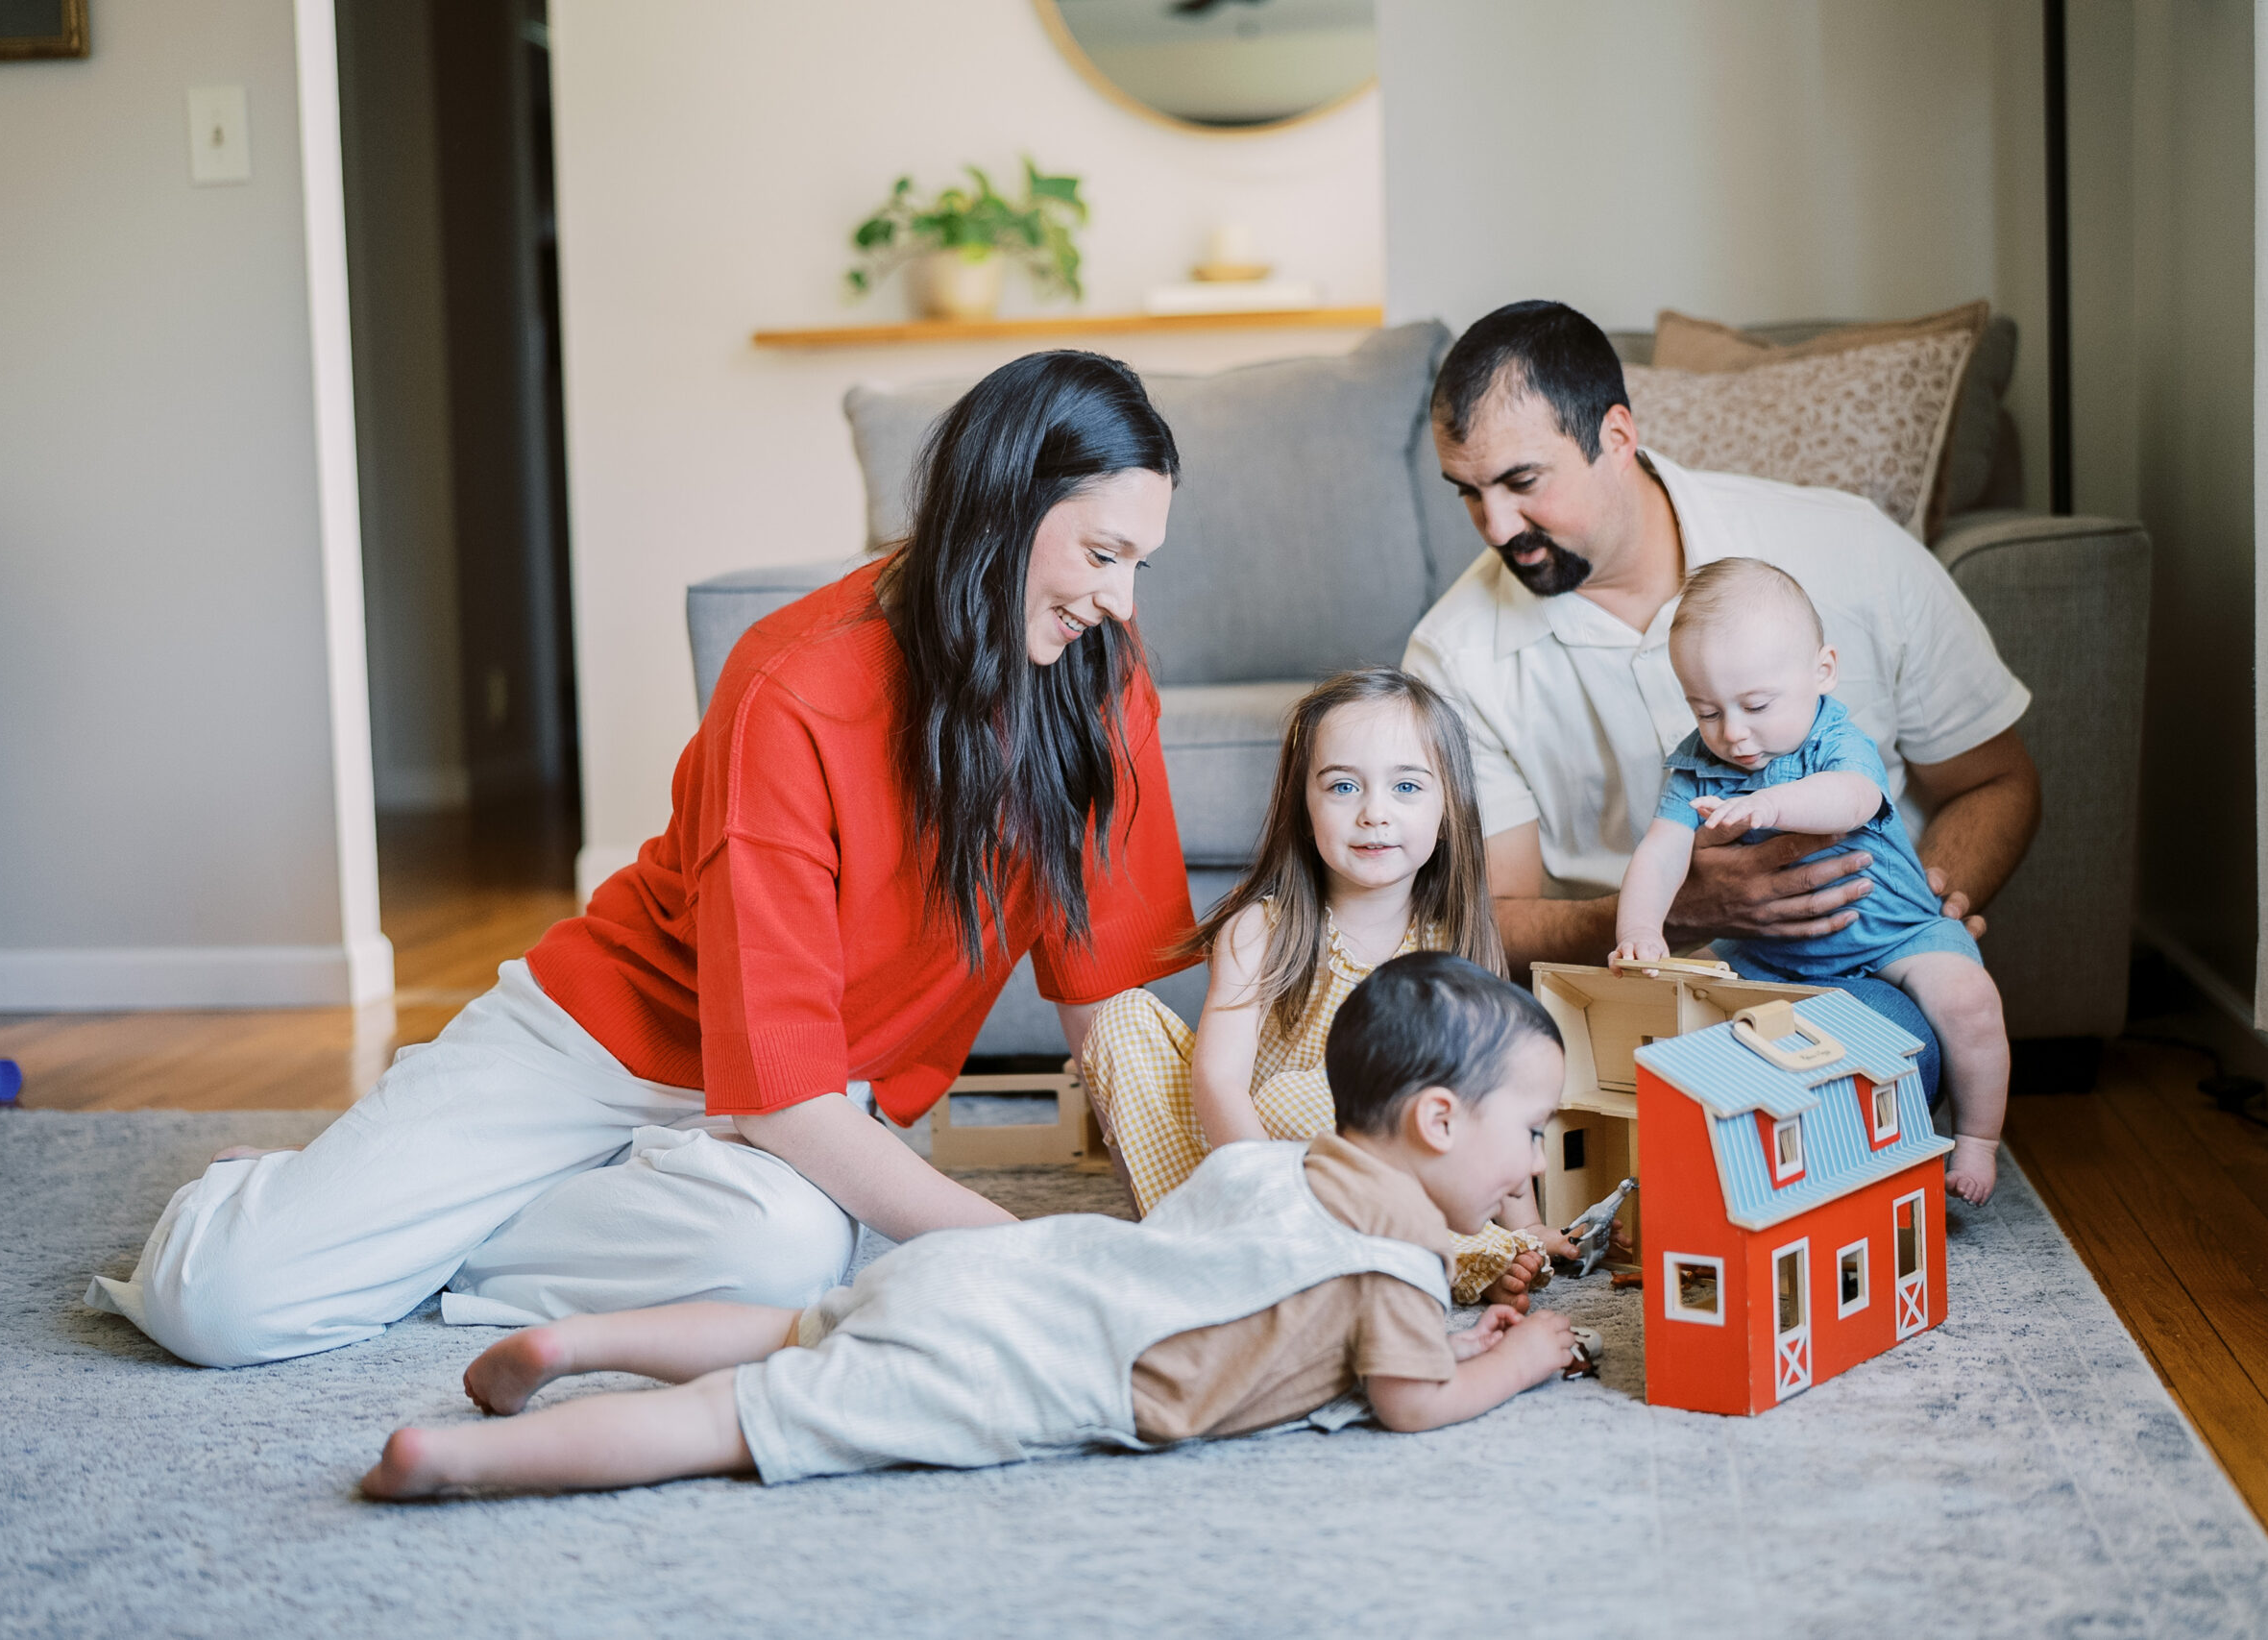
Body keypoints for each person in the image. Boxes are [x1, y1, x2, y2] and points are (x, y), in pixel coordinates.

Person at [87, 352, 1203, 1368]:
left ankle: (409, 1229)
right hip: (604, 1042)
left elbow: (1105, 1005)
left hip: (809, 1099)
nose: (1119, 600)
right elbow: (781, 1103)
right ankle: (275, 1202)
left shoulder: (1102, 682)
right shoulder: (796, 684)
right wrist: (1036, 1259)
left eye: (1138, 563)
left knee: (780, 1260)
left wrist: (1204, 1212)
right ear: (1001, 512)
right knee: (220, 1307)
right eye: (1103, 554)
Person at [359, 953, 1585, 1497]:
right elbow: (1406, 1397)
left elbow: (1302, 1317)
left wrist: (1450, 1332)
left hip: (1010, 1271)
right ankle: (458, 1461)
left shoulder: (1275, 1167)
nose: (1534, 1158)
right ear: (1433, 1121)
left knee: (794, 1327)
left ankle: (580, 1343)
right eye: (1526, 1129)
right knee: (737, 1422)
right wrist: (1521, 1354)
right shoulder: (1388, 1272)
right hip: (1024, 1365)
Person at [1402, 301, 2041, 1097]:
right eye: (1467, 492)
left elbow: (1998, 779)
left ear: (1617, 437)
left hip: (1860, 977)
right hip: (1627, 1000)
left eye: (1521, 482)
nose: (1495, 525)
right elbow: (1491, 917)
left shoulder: (1848, 549)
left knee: (1844, 1067)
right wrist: (1682, 908)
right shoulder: (1453, 655)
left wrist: (1927, 899)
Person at [1080, 668, 1569, 1308]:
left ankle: (1410, 1248)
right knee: (1123, 1020)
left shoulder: (1454, 943)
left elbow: (1489, 1103)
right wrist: (1271, 1194)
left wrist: (1526, 1224)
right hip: (1243, 1166)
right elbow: (1219, 1082)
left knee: (1333, 1100)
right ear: (1304, 808)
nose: (1374, 813)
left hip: (1373, 1174)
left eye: (1406, 786)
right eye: (1342, 785)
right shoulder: (1260, 928)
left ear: (1448, 810)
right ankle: (1232, 1248)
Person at [1613, 560, 2006, 1201]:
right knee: (1700, 1035)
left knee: (1970, 1000)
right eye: (1706, 709)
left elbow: (1849, 800)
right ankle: (1724, 1167)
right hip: (1769, 958)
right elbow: (1661, 851)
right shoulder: (1697, 765)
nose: (1733, 734)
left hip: (1894, 938)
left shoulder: (1833, 739)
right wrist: (1639, 928)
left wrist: (1772, 805)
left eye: (1756, 705)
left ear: (1822, 670)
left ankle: (1978, 1140)